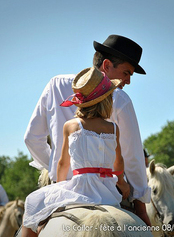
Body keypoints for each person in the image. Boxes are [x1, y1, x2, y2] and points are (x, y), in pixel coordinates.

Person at [24, 35, 151, 225]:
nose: (128, 81)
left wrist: (56, 170)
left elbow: (31, 139)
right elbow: (132, 157)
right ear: (107, 65)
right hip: (108, 191)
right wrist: (140, 207)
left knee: (30, 214)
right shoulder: (121, 99)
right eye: (126, 73)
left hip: (63, 188)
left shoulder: (55, 84)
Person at [22, 67, 128, 237]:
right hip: (107, 190)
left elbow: (63, 163)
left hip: (80, 188)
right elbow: (119, 162)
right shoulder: (113, 128)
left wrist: (59, 186)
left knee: (32, 203)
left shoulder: (71, 126)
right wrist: (122, 182)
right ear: (106, 101)